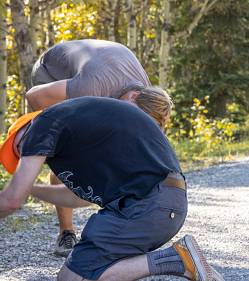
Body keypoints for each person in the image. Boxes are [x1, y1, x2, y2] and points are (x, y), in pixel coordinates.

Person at [0, 96, 228, 281]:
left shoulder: (42, 125)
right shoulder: (77, 130)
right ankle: (187, 261)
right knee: (90, 270)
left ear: (22, 130)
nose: (25, 157)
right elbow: (80, 198)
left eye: (20, 152)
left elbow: (10, 202)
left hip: (147, 206)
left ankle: (175, 259)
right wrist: (30, 188)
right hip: (166, 205)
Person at [25, 39, 172, 257]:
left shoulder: (146, 96)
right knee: (69, 156)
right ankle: (66, 233)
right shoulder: (92, 87)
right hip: (52, 71)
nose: (131, 122)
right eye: (133, 115)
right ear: (134, 96)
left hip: (99, 66)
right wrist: (59, 136)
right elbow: (34, 96)